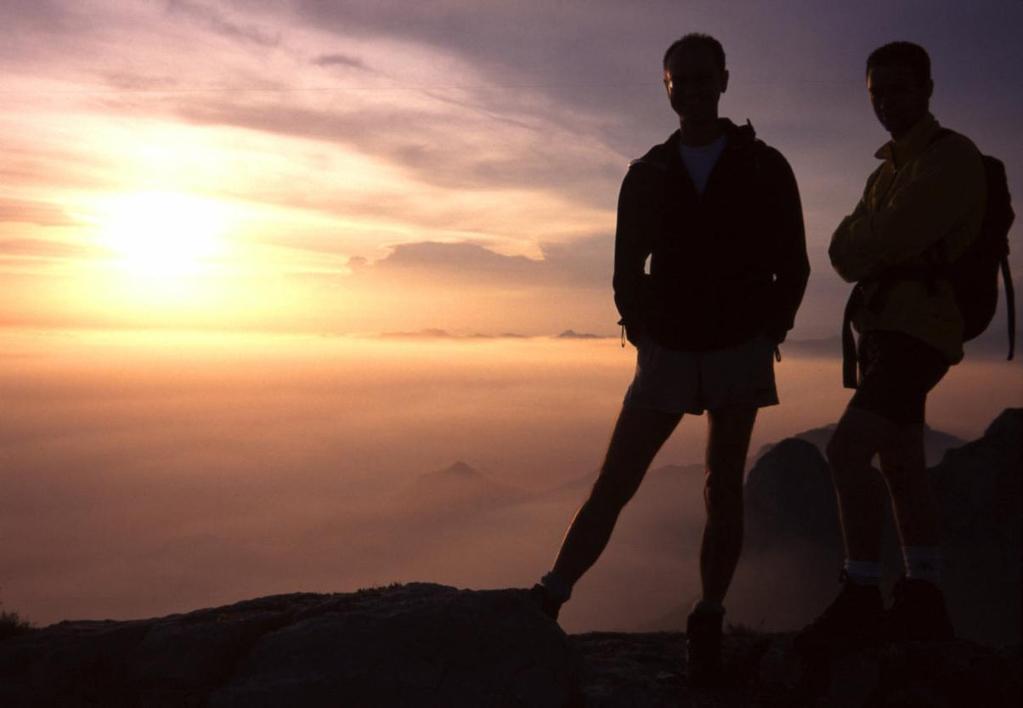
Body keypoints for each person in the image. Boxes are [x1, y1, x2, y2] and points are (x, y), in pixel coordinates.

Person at [530, 33, 809, 683]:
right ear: (666, 88)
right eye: (678, 81)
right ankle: (552, 593)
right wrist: (644, 333)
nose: (691, 89)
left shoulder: (765, 165)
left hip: (738, 344)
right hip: (672, 348)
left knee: (722, 487)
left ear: (723, 80)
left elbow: (791, 260)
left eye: (701, 77)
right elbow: (627, 269)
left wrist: (770, 330)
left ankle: (707, 614)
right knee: (617, 480)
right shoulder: (648, 172)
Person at [796, 41, 986, 650]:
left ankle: (861, 593)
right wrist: (874, 239)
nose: (886, 101)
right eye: (876, 91)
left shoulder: (952, 157)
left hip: (920, 331)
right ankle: (923, 598)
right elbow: (841, 252)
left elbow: (890, 235)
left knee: (847, 452)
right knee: (901, 465)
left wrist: (872, 239)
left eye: (899, 89)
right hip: (885, 331)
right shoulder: (886, 173)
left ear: (927, 90)